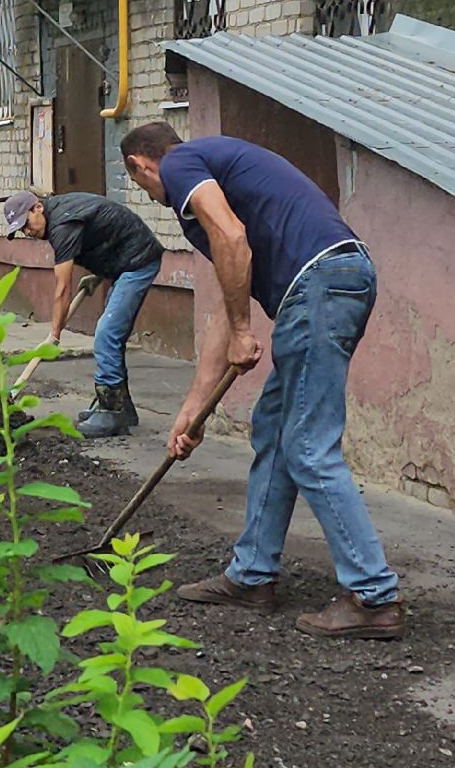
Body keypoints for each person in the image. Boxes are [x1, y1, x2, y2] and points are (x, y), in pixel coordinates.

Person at [118, 121, 405, 640]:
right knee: (274, 432)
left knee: (309, 447)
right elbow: (233, 296)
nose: (153, 196)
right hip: (330, 283)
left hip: (319, 286)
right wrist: (193, 407)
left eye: (141, 186)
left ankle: (373, 596)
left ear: (141, 165)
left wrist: (247, 331)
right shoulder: (216, 170)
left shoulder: (183, 164)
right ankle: (252, 576)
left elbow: (232, 238)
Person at [1, 189, 163, 438]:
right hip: (123, 262)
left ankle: (111, 413)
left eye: (27, 224)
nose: (28, 232)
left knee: (106, 334)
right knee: (112, 336)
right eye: (21, 230)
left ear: (38, 208)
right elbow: (104, 233)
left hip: (138, 262)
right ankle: (122, 407)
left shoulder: (62, 224)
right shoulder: (61, 212)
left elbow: (62, 288)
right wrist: (99, 273)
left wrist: (54, 334)